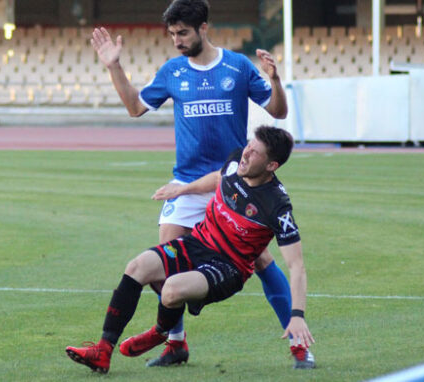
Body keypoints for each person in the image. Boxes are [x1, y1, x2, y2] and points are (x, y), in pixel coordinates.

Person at [91, 0, 301, 367]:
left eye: (183, 33)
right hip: (187, 182)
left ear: (204, 28)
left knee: (264, 260)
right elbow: (135, 107)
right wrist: (114, 66)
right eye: (172, 34)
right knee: (162, 260)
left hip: (233, 184)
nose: (177, 40)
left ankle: (299, 342)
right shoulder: (173, 71)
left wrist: (276, 81)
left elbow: (279, 112)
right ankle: (175, 342)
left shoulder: (236, 66)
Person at [66, 126, 315, 374]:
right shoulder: (235, 161)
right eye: (249, 146)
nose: (246, 155)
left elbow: (297, 266)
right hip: (197, 244)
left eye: (255, 153)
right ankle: (103, 351)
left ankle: (160, 333)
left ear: (272, 165)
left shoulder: (277, 206)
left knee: (172, 289)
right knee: (136, 267)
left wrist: (298, 315)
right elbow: (219, 178)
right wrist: (182, 189)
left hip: (228, 267)